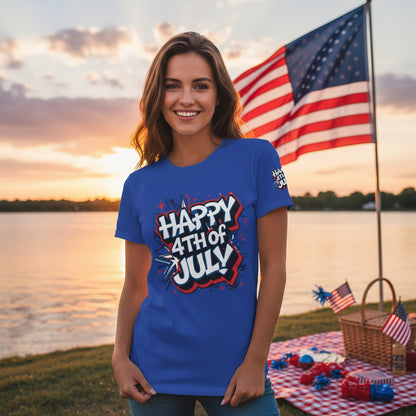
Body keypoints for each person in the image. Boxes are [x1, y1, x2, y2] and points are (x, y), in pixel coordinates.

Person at [113, 31, 293, 416]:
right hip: (153, 370)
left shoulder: (258, 158)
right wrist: (119, 356)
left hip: (235, 370)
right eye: (173, 86)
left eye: (201, 86)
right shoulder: (138, 184)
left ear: (219, 95)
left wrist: (255, 361)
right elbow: (134, 286)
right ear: (157, 96)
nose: (187, 99)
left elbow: (274, 269)